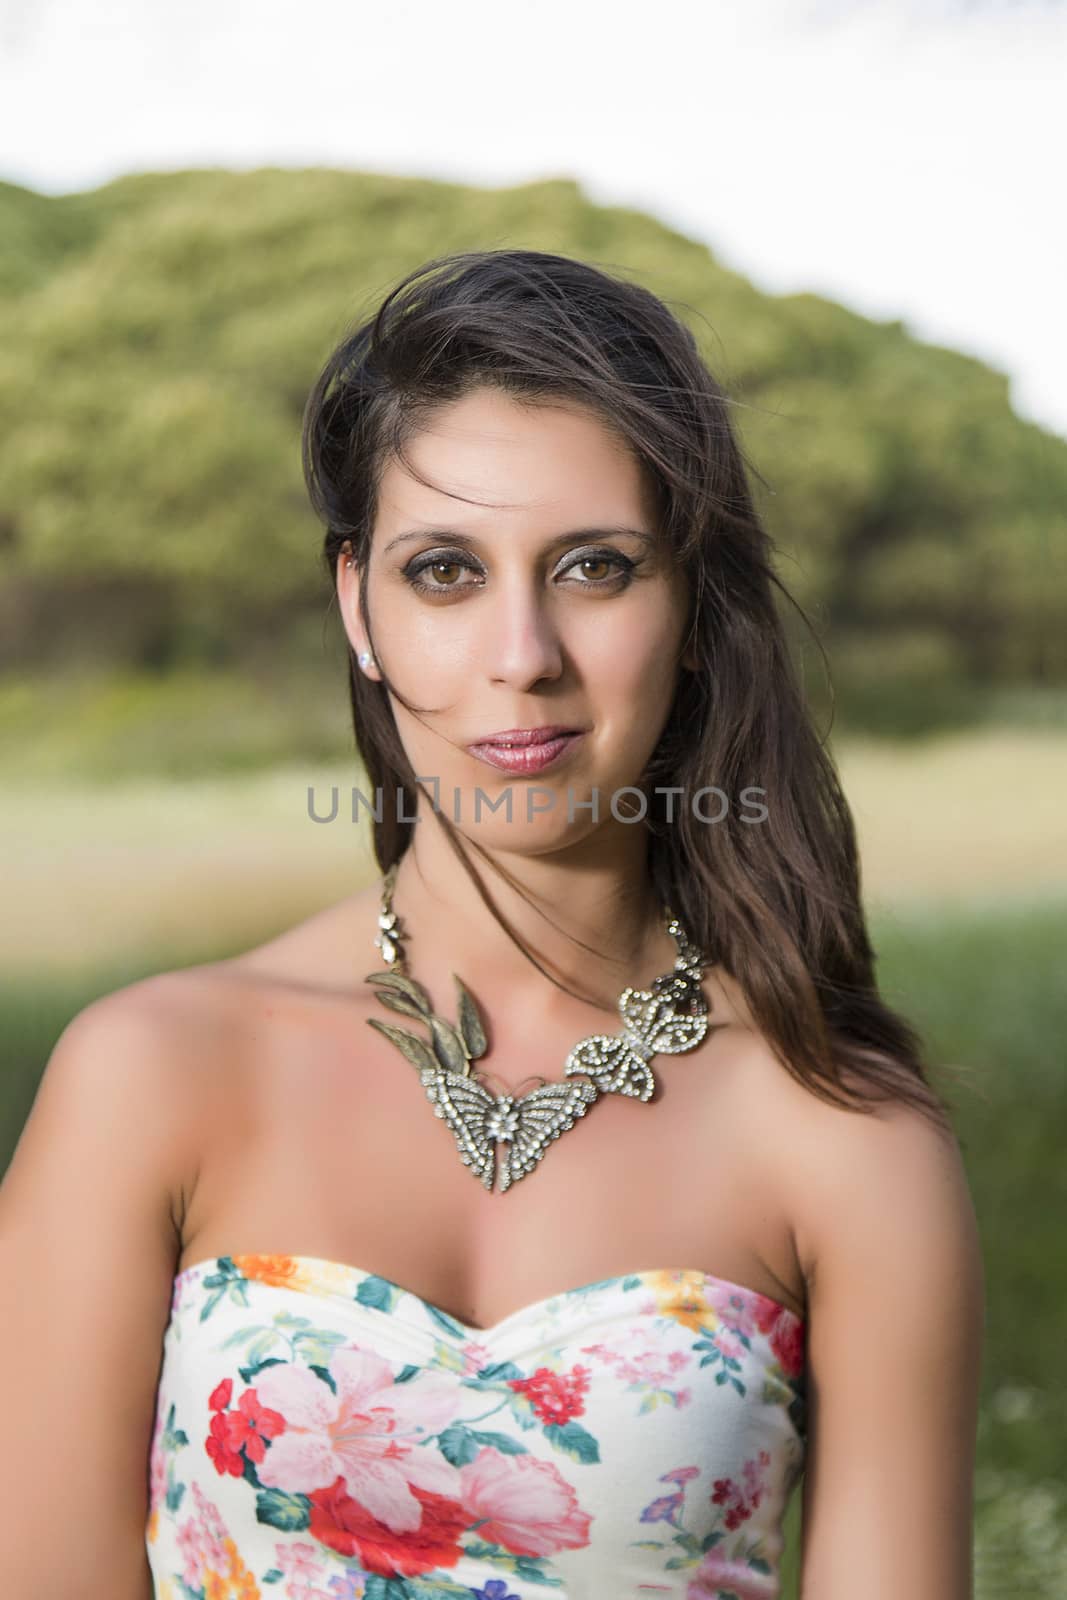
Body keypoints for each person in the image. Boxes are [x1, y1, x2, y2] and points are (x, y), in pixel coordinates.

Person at [0, 249, 984, 1599]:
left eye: (594, 567)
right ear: (360, 608)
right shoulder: (153, 1074)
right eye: (446, 571)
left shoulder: (843, 1133)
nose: (523, 652)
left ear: (690, 606)